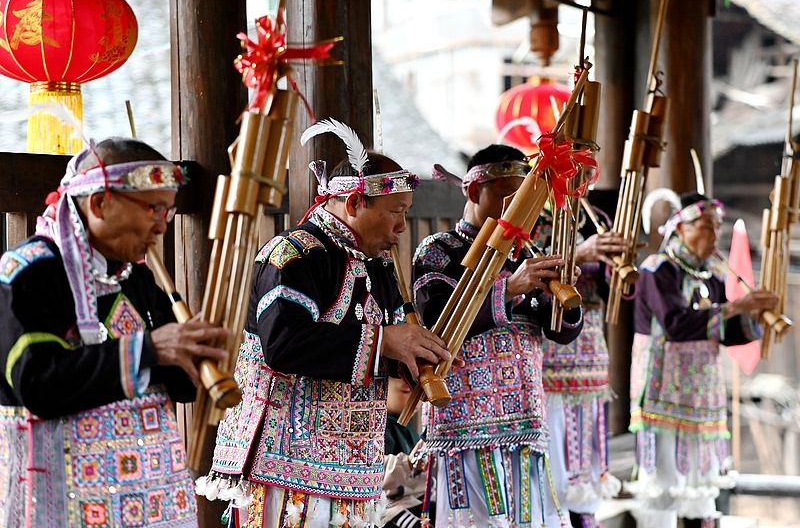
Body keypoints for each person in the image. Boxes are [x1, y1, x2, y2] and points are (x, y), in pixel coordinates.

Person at [202, 120, 451, 528]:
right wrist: (385, 341)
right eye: (395, 212)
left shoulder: (379, 268)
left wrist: (413, 359)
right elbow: (284, 345)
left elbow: (380, 352)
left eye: (405, 213)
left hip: (354, 473)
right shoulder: (293, 255)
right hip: (285, 471)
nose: (401, 227)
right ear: (354, 204)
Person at [0, 137, 229, 527]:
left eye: (169, 211)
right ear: (99, 203)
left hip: (152, 503)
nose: (162, 225)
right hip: (63, 505)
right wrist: (148, 349)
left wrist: (195, 357)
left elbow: (175, 385)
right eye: (153, 208)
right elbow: (36, 383)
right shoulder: (29, 272)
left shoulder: (135, 276)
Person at [413, 144, 584, 527]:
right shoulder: (438, 251)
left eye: (528, 200)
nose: (522, 210)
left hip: (525, 418)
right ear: (474, 191)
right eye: (512, 197)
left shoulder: (526, 254)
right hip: (465, 422)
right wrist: (509, 288)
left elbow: (560, 333)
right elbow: (437, 320)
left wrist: (562, 300)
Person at [628, 192, 779, 528]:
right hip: (663, 394)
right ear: (681, 227)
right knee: (664, 485)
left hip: (701, 396)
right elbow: (676, 324)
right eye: (707, 226)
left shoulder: (711, 275)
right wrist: (735, 306)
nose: (714, 235)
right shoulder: (657, 269)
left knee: (701, 487)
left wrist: (754, 316)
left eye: (718, 228)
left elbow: (725, 331)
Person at [531, 202, 626, 528]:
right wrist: (582, 253)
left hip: (591, 352)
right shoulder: (534, 215)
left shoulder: (597, 219)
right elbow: (526, 266)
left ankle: (585, 515)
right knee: (554, 461)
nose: (582, 181)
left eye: (587, 176)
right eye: (577, 175)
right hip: (550, 356)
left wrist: (618, 268)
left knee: (588, 461)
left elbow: (617, 294)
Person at [380, 377, 429, 528]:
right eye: (407, 391)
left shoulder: (409, 430)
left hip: (413, 501)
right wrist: (407, 463)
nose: (417, 402)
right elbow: (376, 474)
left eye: (421, 396)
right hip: (387, 507)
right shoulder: (377, 430)